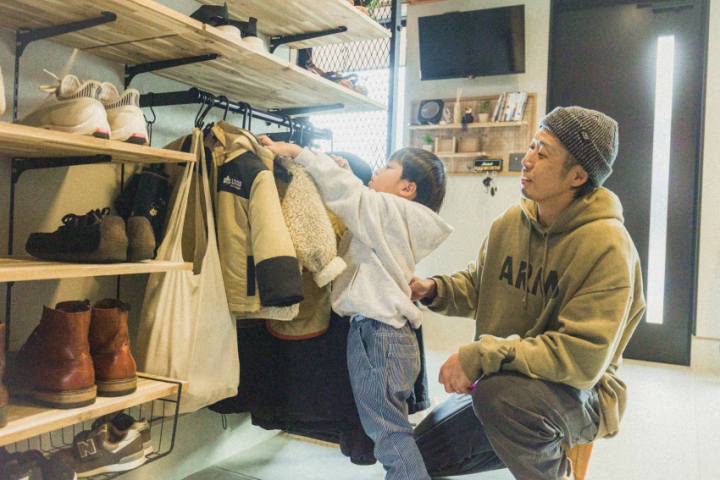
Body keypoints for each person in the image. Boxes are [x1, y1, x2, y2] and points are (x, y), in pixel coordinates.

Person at [409, 106, 646, 480]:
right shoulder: (511, 222)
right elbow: (479, 286)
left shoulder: (609, 247)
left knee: (499, 398)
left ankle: (551, 468)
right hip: (508, 381)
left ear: (578, 176)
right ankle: (522, 439)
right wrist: (431, 289)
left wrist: (481, 355)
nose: (527, 159)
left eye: (543, 153)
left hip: (582, 394)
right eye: (532, 146)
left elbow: (581, 358)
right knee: (415, 457)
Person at [259, 136, 452, 480]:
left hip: (375, 334)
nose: (377, 169)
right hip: (395, 338)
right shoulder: (401, 218)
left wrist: (297, 152)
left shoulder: (387, 211)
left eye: (388, 167)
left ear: (407, 188)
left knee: (389, 435)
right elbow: (361, 206)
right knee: (393, 429)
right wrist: (346, 173)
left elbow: (350, 195)